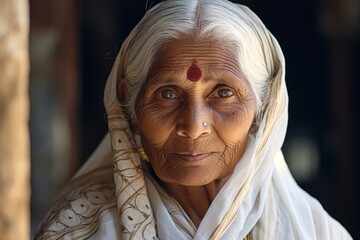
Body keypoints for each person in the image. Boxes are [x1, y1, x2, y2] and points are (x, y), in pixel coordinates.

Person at [35, 0, 352, 239]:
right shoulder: (79, 229)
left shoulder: (315, 231)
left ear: (264, 109)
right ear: (128, 108)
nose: (193, 124)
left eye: (224, 93)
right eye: (167, 94)